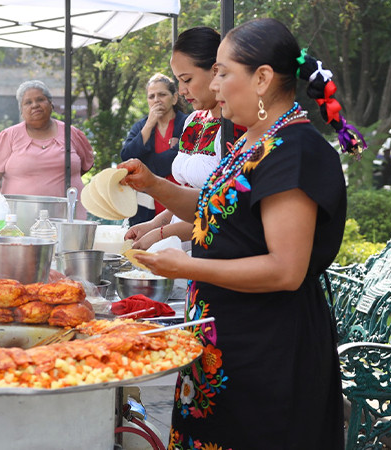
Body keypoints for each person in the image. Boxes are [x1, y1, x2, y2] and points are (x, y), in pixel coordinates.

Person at [119, 18, 366, 449]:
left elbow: (285, 269)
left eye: (223, 72)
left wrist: (187, 266)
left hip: (268, 356)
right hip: (223, 348)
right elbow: (215, 212)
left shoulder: (295, 152)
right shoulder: (253, 140)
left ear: (262, 79)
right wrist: (153, 184)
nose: (214, 85)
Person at [125, 27, 243, 250]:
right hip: (179, 248)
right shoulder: (194, 120)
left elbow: (225, 209)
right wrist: (155, 224)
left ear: (216, 71)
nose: (181, 90)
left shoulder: (235, 127)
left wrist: (162, 233)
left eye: (187, 79)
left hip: (211, 249)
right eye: (178, 81)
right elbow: (187, 194)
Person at [0, 80, 94, 219]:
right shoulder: (9, 136)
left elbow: (86, 165)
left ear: (51, 104)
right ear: (21, 110)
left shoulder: (71, 133)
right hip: (19, 217)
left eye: (40, 99)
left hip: (68, 216)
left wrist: (60, 178)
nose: (35, 105)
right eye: (28, 102)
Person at [121, 73, 188, 225]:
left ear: (174, 98)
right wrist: (149, 125)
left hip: (180, 201)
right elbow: (126, 156)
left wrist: (143, 164)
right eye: (151, 96)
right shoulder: (141, 126)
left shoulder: (187, 123)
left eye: (162, 95)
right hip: (147, 207)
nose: (156, 100)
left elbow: (170, 162)